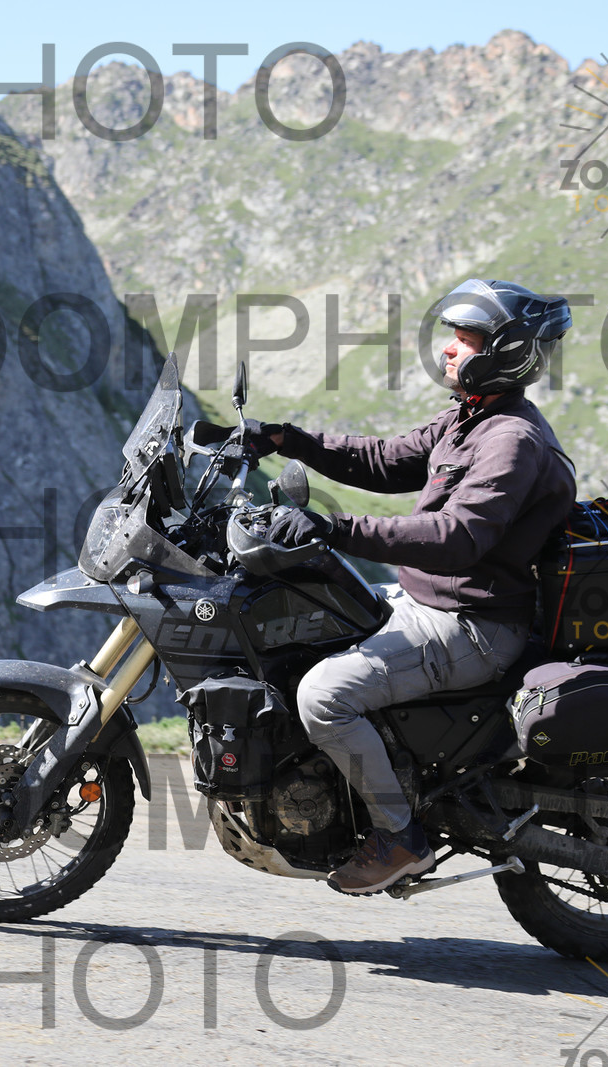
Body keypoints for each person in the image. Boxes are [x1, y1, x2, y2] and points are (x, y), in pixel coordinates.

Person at [247, 279, 577, 894]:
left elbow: (457, 537)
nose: (449, 348)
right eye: (453, 337)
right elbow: (386, 459)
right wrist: (286, 440)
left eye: (465, 339)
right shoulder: (472, 416)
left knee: (323, 695)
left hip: (473, 625)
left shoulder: (512, 440)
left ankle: (399, 836)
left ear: (506, 351)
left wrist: (334, 527)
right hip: (430, 600)